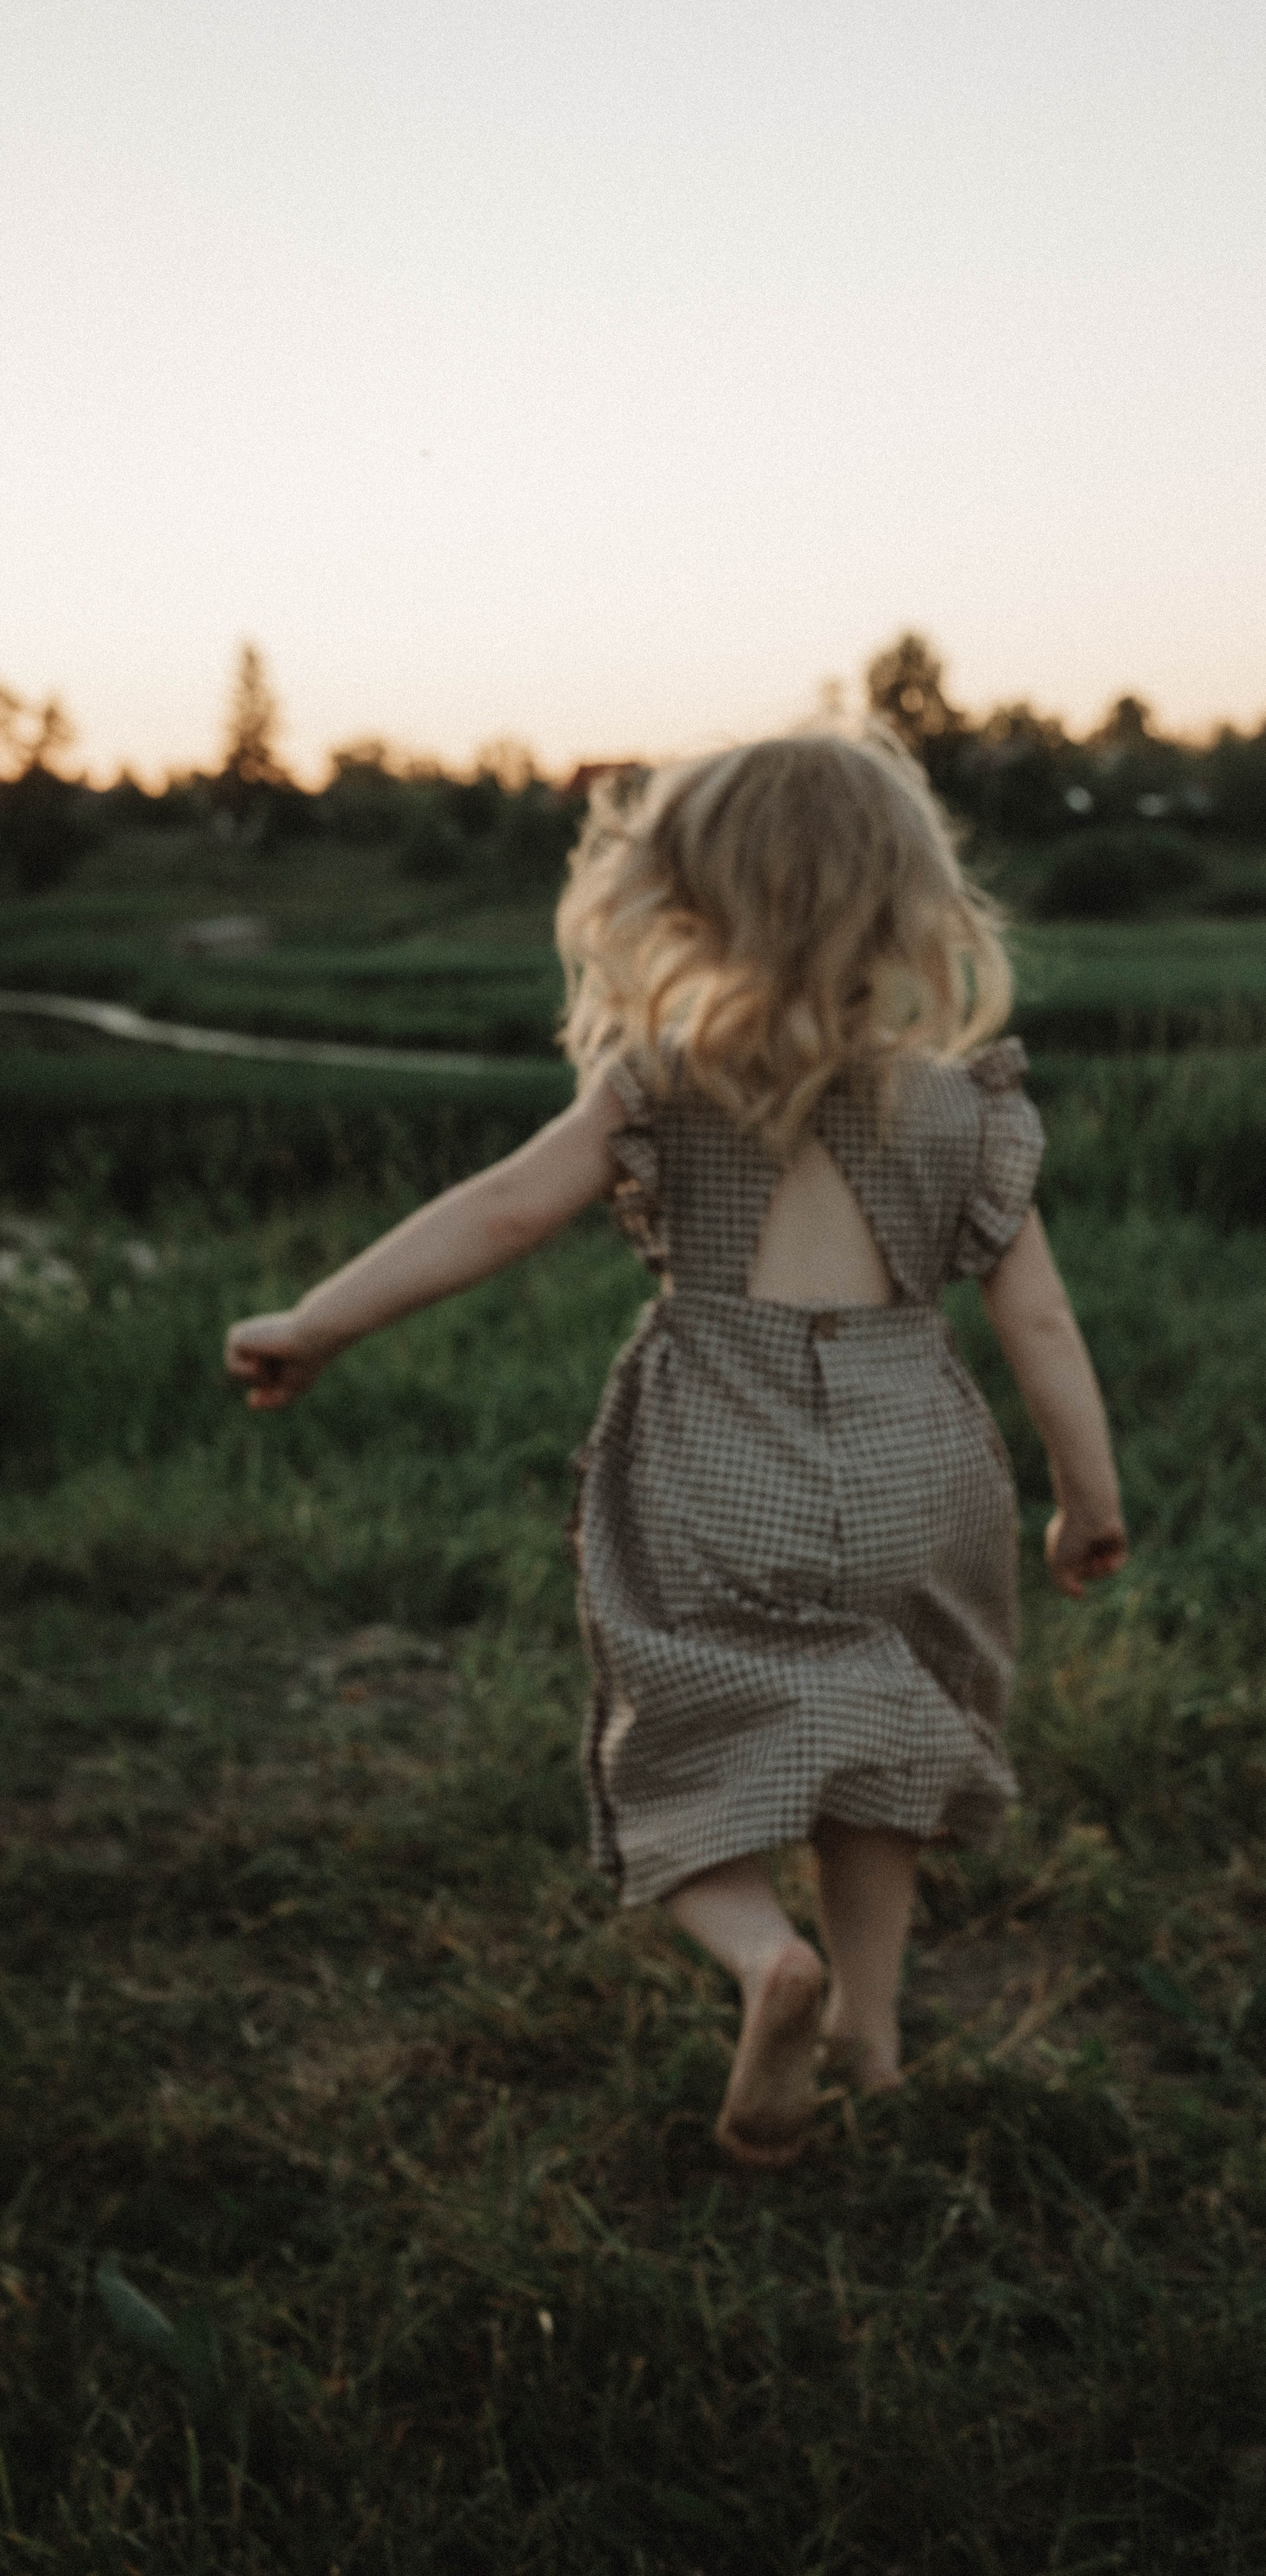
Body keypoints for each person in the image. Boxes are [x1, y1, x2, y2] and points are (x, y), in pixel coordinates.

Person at [225, 730, 1127, 2168]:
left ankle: (769, 1957)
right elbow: (1046, 1322)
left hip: (723, 1454)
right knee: (881, 1744)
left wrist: (321, 1319)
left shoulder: (657, 1083)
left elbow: (506, 1208)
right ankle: (871, 2040)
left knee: (684, 1729)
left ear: (688, 902)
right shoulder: (962, 1107)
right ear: (908, 900)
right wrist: (1088, 1494)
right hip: (915, 1473)